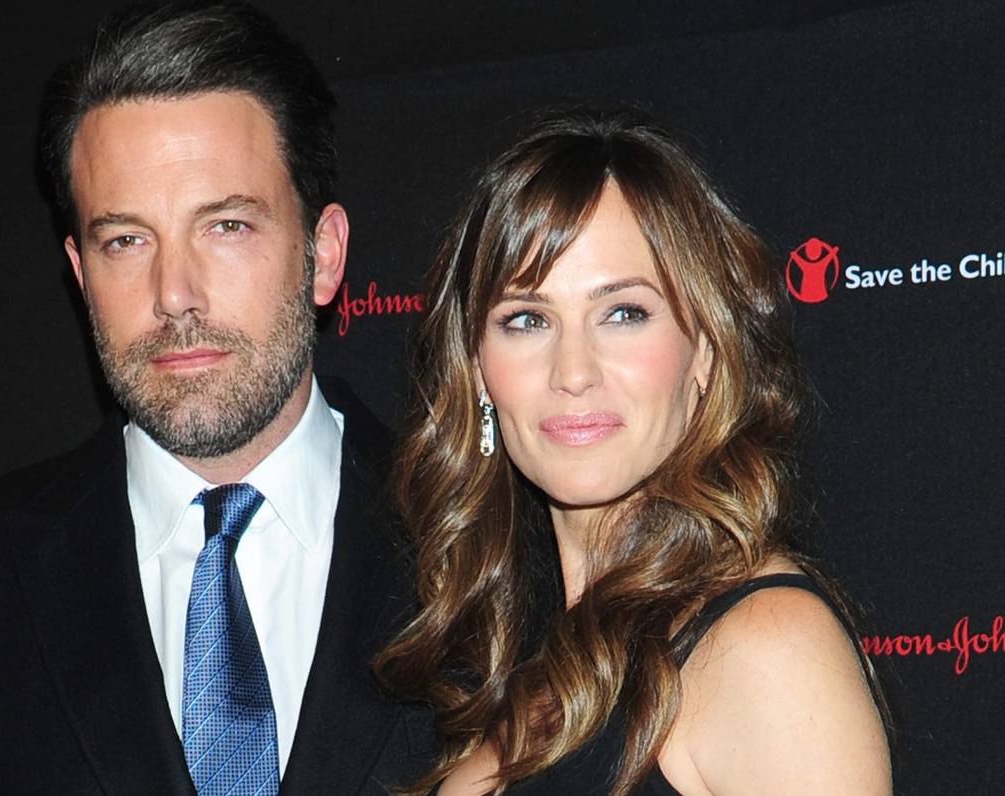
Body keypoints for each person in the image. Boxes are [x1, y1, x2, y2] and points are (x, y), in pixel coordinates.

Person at [0, 3, 431, 794]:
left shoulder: (488, 543)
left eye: (226, 227)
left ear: (323, 254)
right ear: (81, 275)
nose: (174, 293)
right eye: (126, 240)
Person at [375, 110, 891, 795]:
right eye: (527, 319)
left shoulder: (764, 646)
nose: (573, 371)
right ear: (476, 368)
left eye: (623, 313)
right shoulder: (520, 661)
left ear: (704, 350)